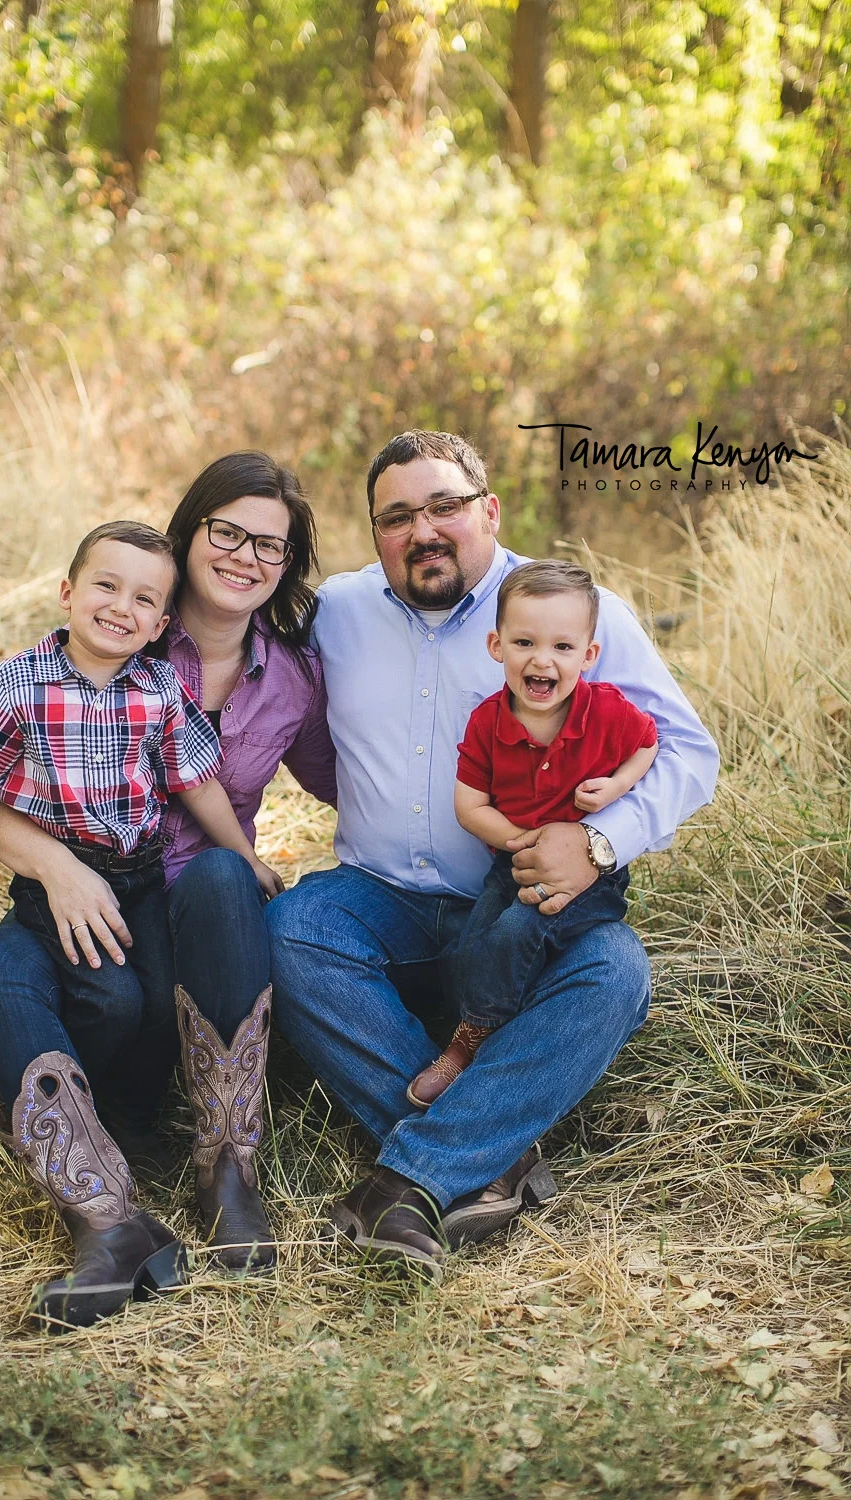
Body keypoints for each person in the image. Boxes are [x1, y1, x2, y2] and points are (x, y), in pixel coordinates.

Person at [266, 430, 719, 1281]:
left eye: (444, 506)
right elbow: (263, 701)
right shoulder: (339, 613)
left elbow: (690, 751)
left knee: (616, 972)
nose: (423, 531)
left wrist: (597, 841)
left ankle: (414, 1175)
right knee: (294, 928)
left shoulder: (571, 615)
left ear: (489, 510)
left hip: (524, 909)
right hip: (382, 901)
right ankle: (495, 1153)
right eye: (396, 517)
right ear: (374, 532)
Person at [0, 454, 336, 1318]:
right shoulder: (119, 625)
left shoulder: (292, 678)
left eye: (269, 546)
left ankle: (227, 1168)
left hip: (200, 925)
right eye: (226, 531)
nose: (244, 556)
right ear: (189, 531)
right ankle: (108, 1219)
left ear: (286, 564)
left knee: (218, 875)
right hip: (84, 900)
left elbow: (362, 779)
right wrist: (55, 866)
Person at [407, 559, 658, 1109]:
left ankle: (470, 1043)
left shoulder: (608, 711)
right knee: (475, 942)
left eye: (563, 648)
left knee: (517, 930)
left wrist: (617, 787)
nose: (542, 659)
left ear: (588, 656)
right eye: (525, 642)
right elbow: (469, 805)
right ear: (497, 646)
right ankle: (494, 1025)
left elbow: (648, 744)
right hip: (514, 858)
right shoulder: (487, 722)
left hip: (591, 877)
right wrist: (522, 839)